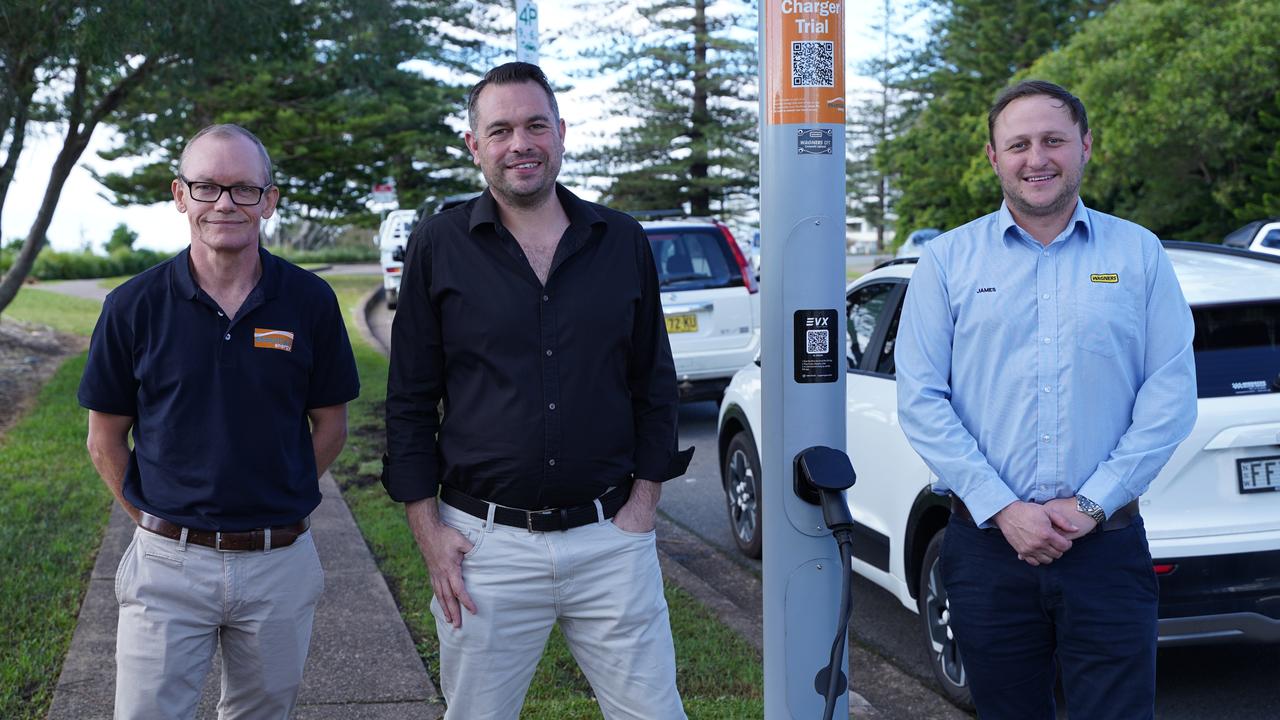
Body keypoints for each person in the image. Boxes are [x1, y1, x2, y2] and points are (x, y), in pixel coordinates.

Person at [383, 62, 692, 720]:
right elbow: (409, 400)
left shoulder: (621, 240)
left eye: (535, 125)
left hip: (612, 540)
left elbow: (655, 383)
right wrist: (428, 534)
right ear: (474, 146)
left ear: (561, 133)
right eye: (499, 130)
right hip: (484, 548)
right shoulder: (439, 246)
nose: (519, 143)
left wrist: (641, 508)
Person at [895, 80, 1197, 719]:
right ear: (993, 157)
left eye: (1054, 140)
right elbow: (922, 400)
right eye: (1019, 144)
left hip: (1106, 550)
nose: (1038, 158)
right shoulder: (945, 261)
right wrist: (1005, 510)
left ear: (1085, 146)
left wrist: (1090, 505)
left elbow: (1169, 398)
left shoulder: (1138, 253)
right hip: (986, 552)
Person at [78, 123, 360, 719]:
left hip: (278, 561)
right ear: (180, 195)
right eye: (207, 187)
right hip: (167, 568)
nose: (225, 203)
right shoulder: (132, 306)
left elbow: (330, 427)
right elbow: (104, 439)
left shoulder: (309, 302)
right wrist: (157, 522)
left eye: (243, 189)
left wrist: (278, 493)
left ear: (269, 200)